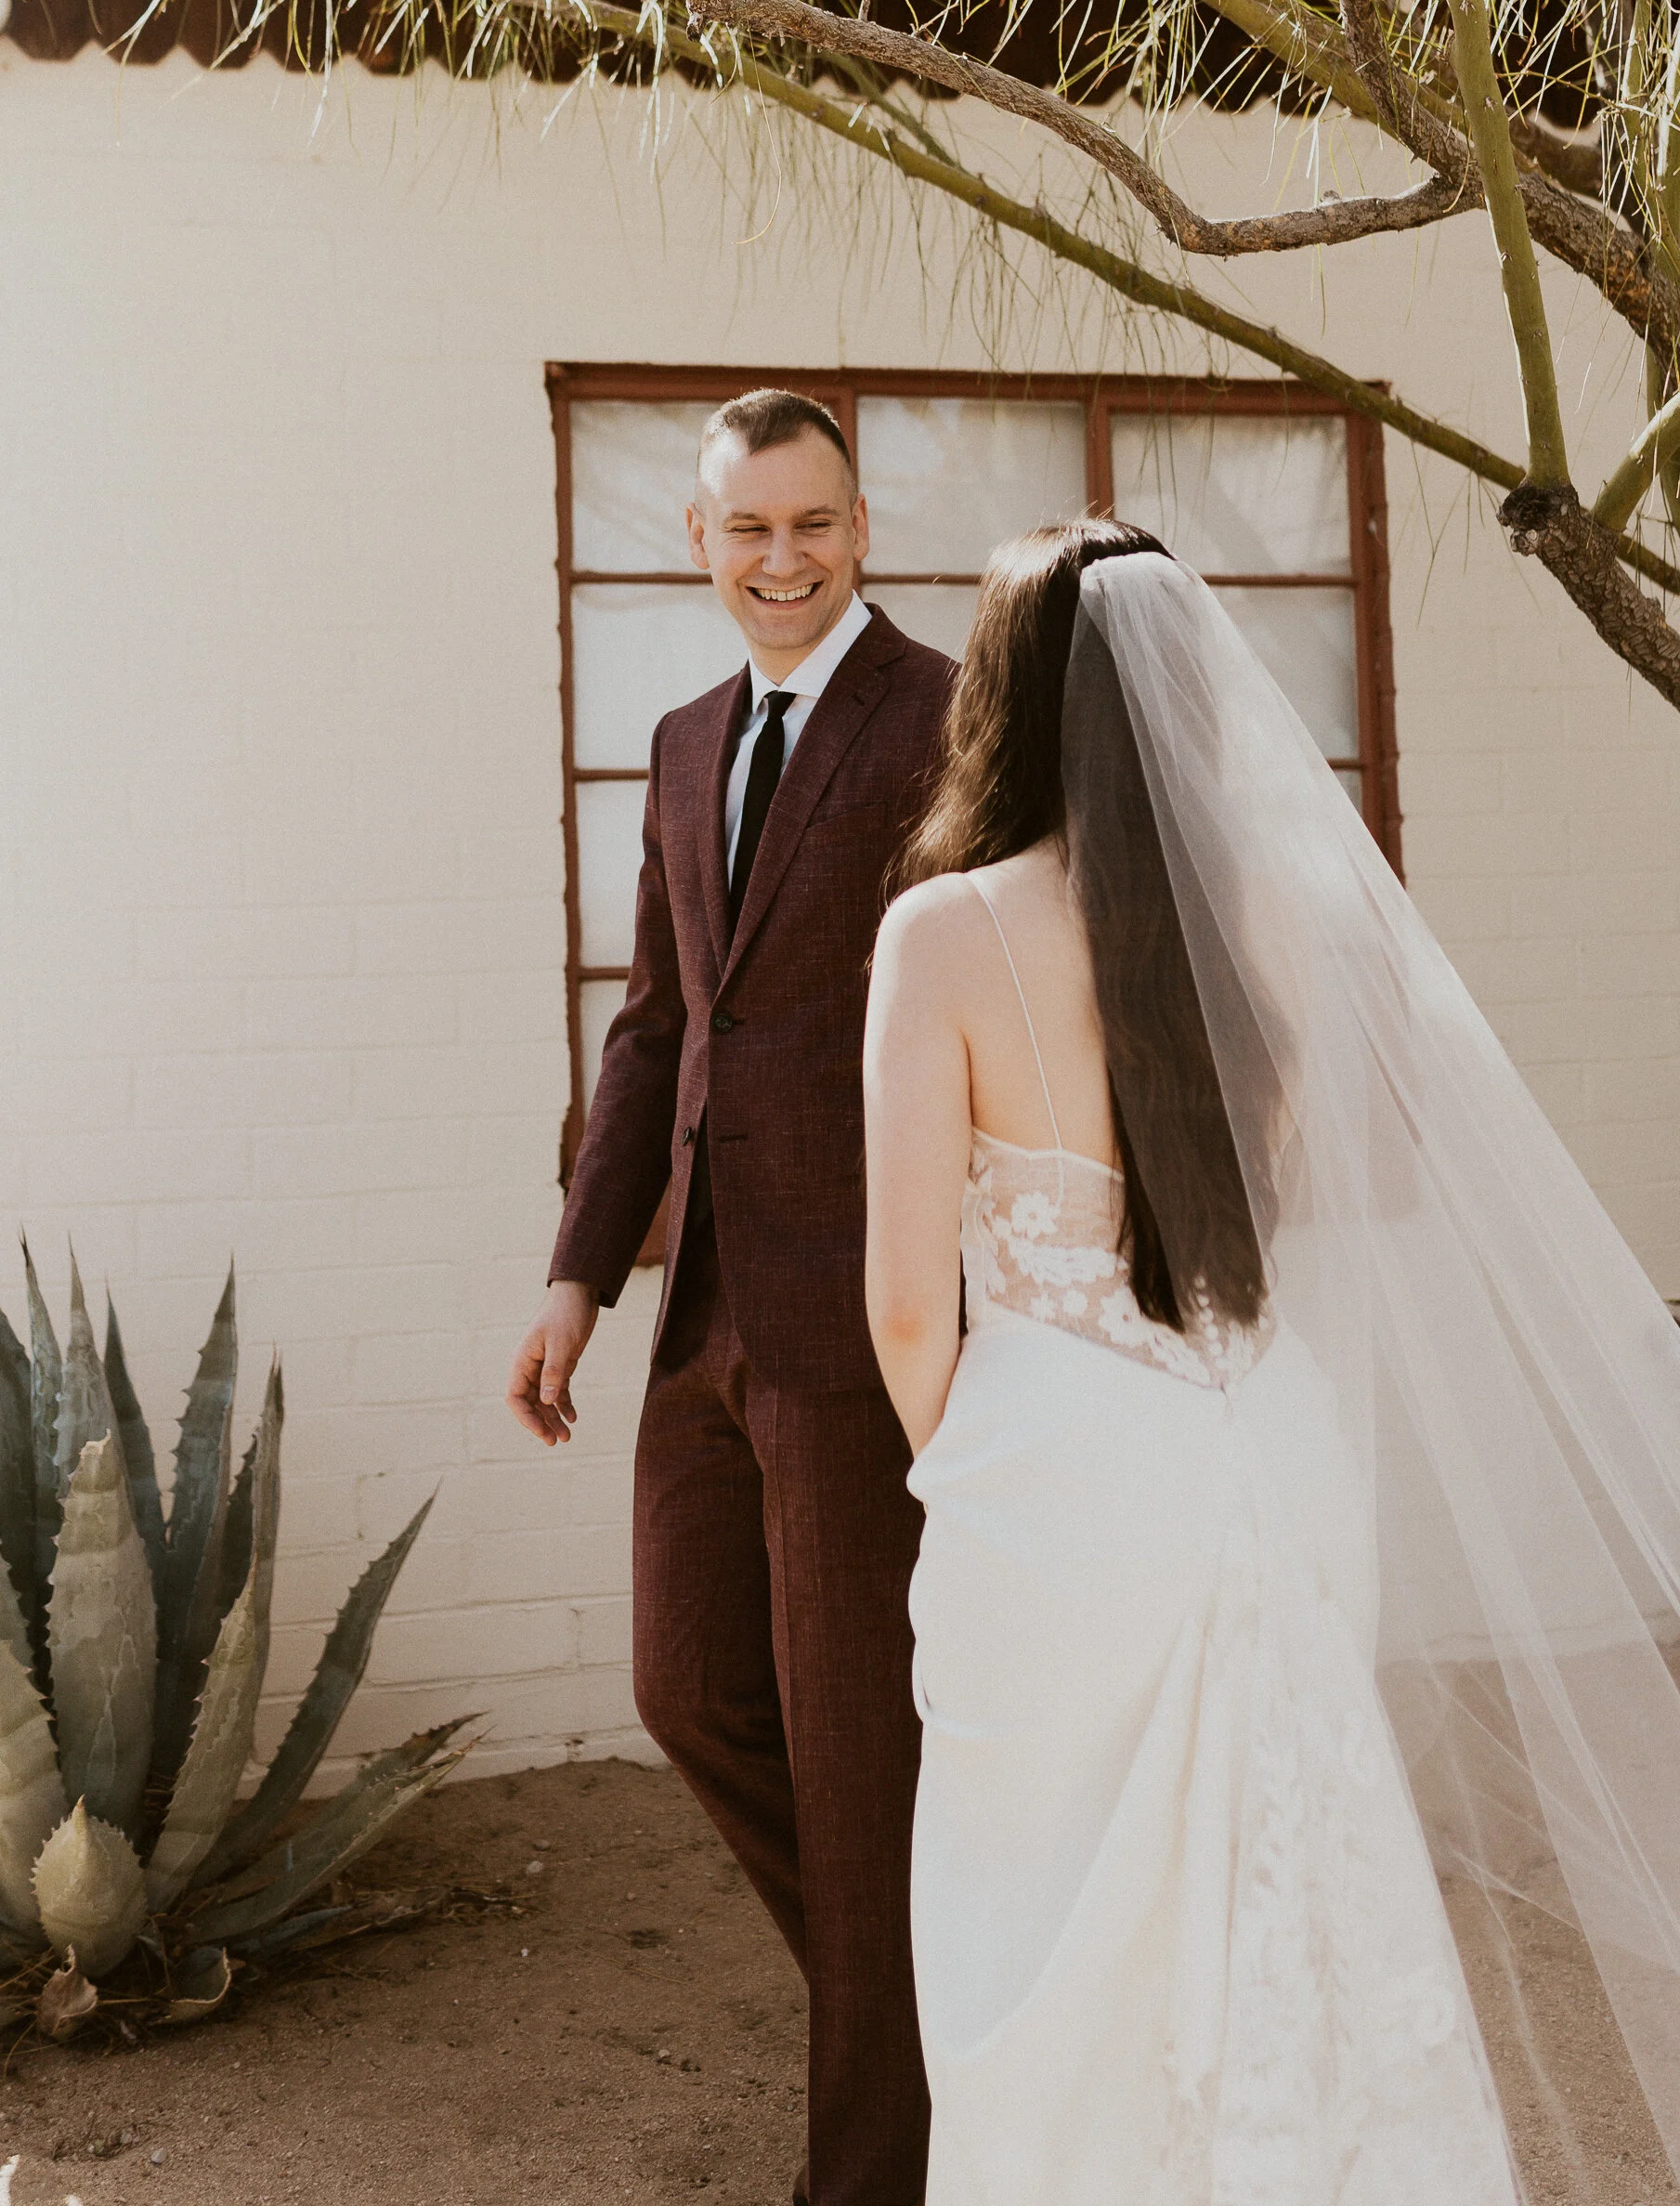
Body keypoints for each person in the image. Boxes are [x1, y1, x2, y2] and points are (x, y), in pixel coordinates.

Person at [863, 519, 1680, 2205]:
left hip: (1069, 1482)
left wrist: (982, 1467)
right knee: (1303, 1883)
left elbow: (904, 1307)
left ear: (1002, 699)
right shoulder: (1270, 922)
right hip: (1274, 1444)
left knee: (1060, 1929)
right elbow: (1284, 1214)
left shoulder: (943, 936)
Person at [510, 388, 953, 2206]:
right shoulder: (685, 738)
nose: (784, 559)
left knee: (862, 1765)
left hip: (867, 1314)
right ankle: (931, 2001)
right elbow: (654, 1025)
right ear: (698, 539)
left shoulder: (943, 717)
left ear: (863, 527)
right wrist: (573, 1275)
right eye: (748, 528)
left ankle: (879, 2162)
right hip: (698, 1313)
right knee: (690, 1686)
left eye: (816, 524)